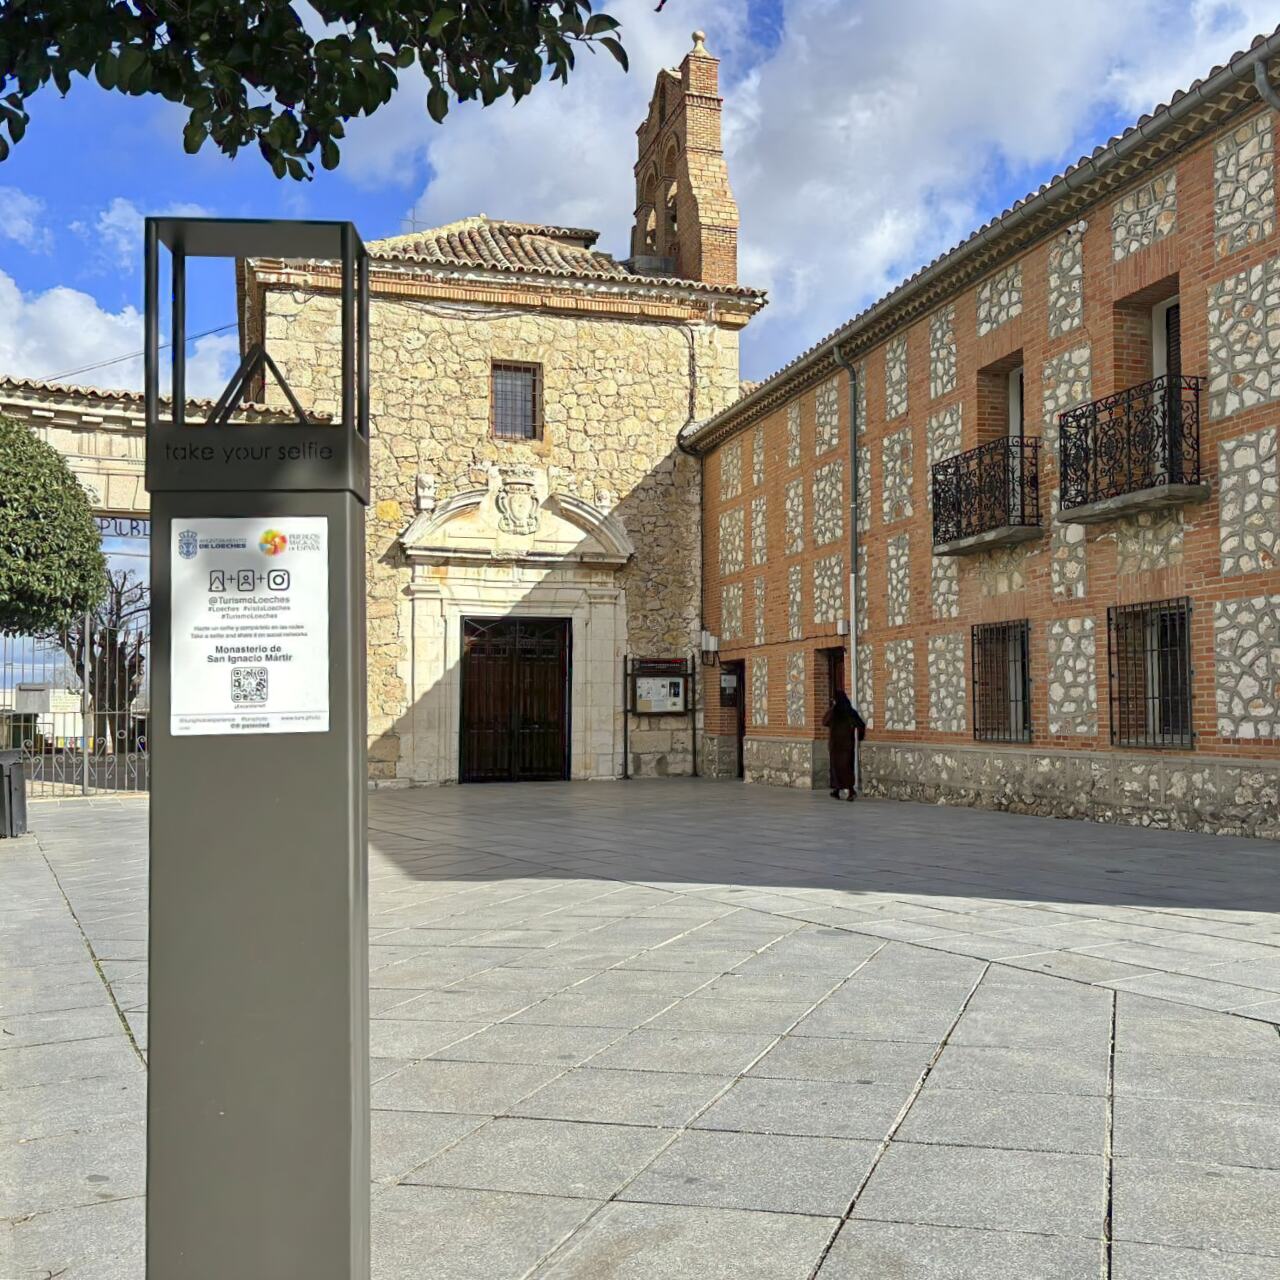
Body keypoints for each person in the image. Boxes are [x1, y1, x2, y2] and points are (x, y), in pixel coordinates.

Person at [822, 689, 866, 801]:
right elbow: (861, 725)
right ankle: (839, 790)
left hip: (836, 745)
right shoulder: (850, 712)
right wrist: (860, 737)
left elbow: (825, 722)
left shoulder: (834, 712)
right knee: (846, 768)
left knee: (837, 768)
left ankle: (849, 791)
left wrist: (832, 708)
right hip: (847, 745)